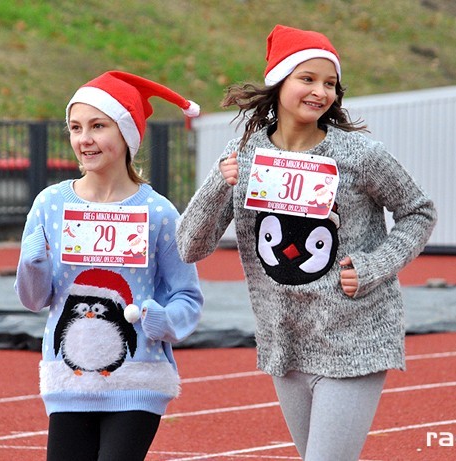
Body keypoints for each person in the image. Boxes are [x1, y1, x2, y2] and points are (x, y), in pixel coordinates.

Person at [176, 25, 436, 461]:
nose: (321, 92)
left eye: (330, 83)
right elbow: (189, 246)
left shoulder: (360, 154)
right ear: (279, 82)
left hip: (355, 336)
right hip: (287, 341)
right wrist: (220, 185)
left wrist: (375, 266)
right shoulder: (243, 153)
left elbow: (419, 211)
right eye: (308, 79)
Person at [15, 71, 204, 461]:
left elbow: (187, 296)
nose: (84, 139)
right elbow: (35, 301)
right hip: (67, 377)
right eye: (75, 127)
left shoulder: (159, 212)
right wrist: (33, 263)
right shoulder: (50, 204)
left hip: (139, 374)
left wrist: (159, 319)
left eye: (98, 126)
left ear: (127, 133)